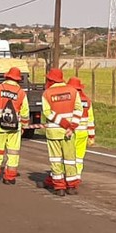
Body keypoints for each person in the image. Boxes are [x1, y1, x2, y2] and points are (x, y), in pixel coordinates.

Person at [0, 67, 30, 185]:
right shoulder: (21, 93)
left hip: (0, 126)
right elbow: (25, 112)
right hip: (15, 128)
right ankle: (9, 177)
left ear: (7, 77)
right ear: (18, 80)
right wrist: (24, 125)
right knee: (13, 152)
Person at [42, 68, 84, 196]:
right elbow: (78, 109)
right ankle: (71, 186)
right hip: (69, 133)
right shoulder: (72, 91)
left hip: (54, 132)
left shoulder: (47, 93)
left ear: (50, 79)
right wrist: (71, 126)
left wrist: (63, 123)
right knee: (70, 159)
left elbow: (47, 112)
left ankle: (59, 187)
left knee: (55, 160)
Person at [67, 77, 95, 189]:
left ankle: (68, 176)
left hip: (72, 131)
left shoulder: (70, 98)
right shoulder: (87, 101)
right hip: (83, 132)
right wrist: (91, 136)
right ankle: (77, 177)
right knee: (79, 157)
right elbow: (90, 120)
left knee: (68, 155)